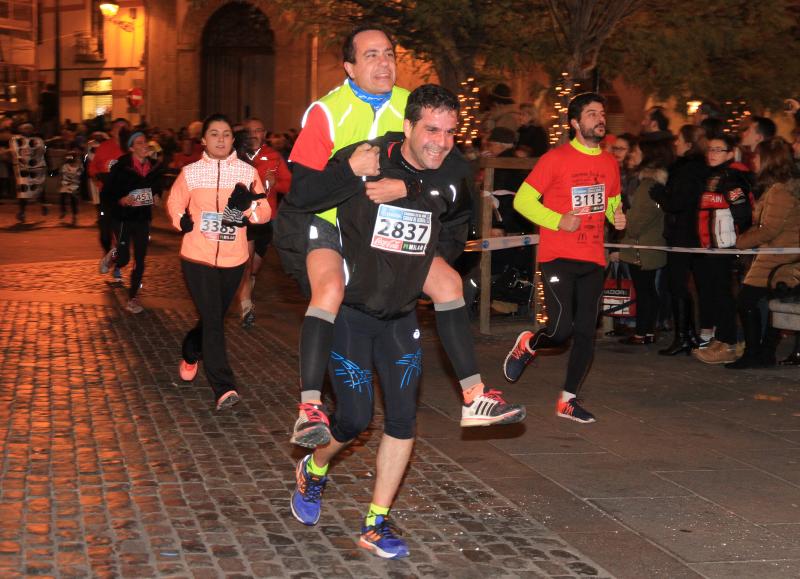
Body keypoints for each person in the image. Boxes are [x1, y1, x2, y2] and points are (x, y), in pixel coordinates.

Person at [290, 84, 523, 559]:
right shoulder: (368, 157)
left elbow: (457, 217)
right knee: (354, 419)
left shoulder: (454, 169)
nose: (441, 142)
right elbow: (304, 197)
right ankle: (314, 468)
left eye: (451, 132)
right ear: (409, 126)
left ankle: (376, 522)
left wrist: (424, 234)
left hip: (400, 317)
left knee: (402, 419)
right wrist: (347, 175)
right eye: (432, 130)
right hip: (353, 314)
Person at [275, 24, 522, 448]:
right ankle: (310, 407)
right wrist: (349, 172)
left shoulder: (414, 105)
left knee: (449, 283)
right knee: (330, 288)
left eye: (388, 53)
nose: (384, 62)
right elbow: (301, 192)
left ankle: (475, 396)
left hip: (389, 226)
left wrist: (409, 186)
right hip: (330, 221)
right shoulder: (326, 112)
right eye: (370, 55)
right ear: (350, 66)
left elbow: (451, 172)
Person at [502, 92, 625, 424]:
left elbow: (611, 200)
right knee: (559, 330)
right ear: (575, 122)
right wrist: (557, 220)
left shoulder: (609, 162)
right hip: (558, 255)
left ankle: (568, 400)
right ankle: (529, 343)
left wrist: (617, 216)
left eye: (602, 113)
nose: (600, 118)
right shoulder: (555, 159)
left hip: (593, 258)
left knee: (585, 332)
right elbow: (522, 201)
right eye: (592, 114)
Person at [166, 113, 270, 410]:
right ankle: (224, 387)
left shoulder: (247, 173)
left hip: (234, 259)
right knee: (213, 319)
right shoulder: (191, 173)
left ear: (233, 139)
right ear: (203, 140)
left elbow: (264, 212)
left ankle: (191, 350)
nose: (220, 139)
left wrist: (247, 210)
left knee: (213, 317)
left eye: (225, 134)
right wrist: (180, 220)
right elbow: (174, 202)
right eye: (214, 134)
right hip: (196, 256)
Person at [726, 138, 800, 369]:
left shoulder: (780, 190)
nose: (753, 160)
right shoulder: (780, 187)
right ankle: (764, 353)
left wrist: (741, 242)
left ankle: (755, 353)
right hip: (779, 255)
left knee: (746, 300)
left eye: (757, 156)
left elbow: (769, 228)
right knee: (769, 305)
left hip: (776, 258)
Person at [693, 134, 754, 365]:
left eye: (718, 150)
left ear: (730, 153)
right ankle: (720, 339)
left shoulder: (732, 177)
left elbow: (742, 212)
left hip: (725, 247)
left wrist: (741, 244)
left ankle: (727, 343)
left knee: (724, 295)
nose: (712, 154)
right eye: (710, 149)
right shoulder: (713, 176)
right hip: (711, 246)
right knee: (715, 294)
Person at [650, 125, 709, 355]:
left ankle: (683, 336)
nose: (676, 144)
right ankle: (689, 334)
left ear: (688, 144)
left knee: (677, 285)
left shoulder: (687, 171)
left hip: (684, 234)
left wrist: (659, 194)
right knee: (684, 286)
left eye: (679, 140)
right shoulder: (695, 169)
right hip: (691, 233)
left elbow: (677, 203)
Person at [617, 134, 674, 344]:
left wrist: (624, 220)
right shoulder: (657, 183)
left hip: (641, 248)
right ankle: (648, 331)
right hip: (651, 245)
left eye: (637, 151)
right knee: (649, 290)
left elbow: (636, 221)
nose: (633, 154)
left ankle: (642, 332)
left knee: (644, 291)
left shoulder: (647, 186)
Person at [236, 117, 291, 328]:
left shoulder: (274, 157)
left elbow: (289, 185)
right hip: (244, 218)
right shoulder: (237, 156)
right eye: (249, 131)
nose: (253, 135)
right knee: (246, 263)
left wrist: (276, 183)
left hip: (266, 219)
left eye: (258, 130)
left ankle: (247, 287)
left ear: (264, 134)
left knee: (254, 267)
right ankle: (246, 307)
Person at [103, 131, 166, 314]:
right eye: (139, 142)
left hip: (143, 218)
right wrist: (121, 199)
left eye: (145, 141)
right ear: (131, 148)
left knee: (140, 258)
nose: (144, 145)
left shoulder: (154, 168)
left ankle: (133, 297)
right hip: (123, 218)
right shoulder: (121, 167)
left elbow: (156, 189)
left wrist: (157, 197)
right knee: (124, 258)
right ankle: (113, 256)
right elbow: (107, 192)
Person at [92, 118, 131, 280]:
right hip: (107, 197)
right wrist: (97, 177)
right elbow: (93, 167)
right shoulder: (104, 147)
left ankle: (117, 266)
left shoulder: (131, 148)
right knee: (105, 233)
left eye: (124, 128)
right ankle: (107, 253)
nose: (121, 131)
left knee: (121, 234)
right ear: (112, 130)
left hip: (125, 198)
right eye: (118, 128)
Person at [11, 123, 47, 223]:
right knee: (23, 189)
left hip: (36, 167)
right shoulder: (16, 139)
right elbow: (15, 151)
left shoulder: (38, 140)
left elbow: (42, 152)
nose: (27, 130)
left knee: (39, 186)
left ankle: (43, 204)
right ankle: (22, 212)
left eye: (29, 128)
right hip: (22, 168)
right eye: (24, 128)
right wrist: (19, 158)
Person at [59, 147, 83, 225]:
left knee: (73, 200)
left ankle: (74, 217)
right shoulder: (65, 165)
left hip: (74, 185)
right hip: (65, 184)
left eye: (71, 156)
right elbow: (63, 175)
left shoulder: (79, 165)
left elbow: (79, 175)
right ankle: (63, 211)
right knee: (62, 197)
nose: (69, 158)